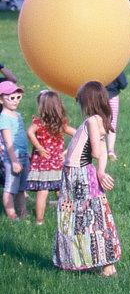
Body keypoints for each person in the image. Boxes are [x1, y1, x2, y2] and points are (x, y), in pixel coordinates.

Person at [53, 81, 121, 277]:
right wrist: (100, 171)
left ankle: (106, 264)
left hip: (78, 176)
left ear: (88, 101)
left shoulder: (93, 120)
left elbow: (99, 151)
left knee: (83, 218)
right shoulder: (100, 119)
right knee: (91, 217)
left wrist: (99, 171)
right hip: (79, 174)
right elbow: (102, 150)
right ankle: (95, 261)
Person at [26, 89, 75, 225]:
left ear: (42, 107)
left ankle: (39, 221)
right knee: (62, 192)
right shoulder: (61, 125)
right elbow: (77, 135)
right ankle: (69, 216)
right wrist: (65, 153)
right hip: (57, 164)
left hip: (43, 165)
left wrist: (39, 148)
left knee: (43, 192)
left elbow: (29, 132)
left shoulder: (39, 124)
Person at [1, 80, 30, 220]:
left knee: (21, 188)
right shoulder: (4, 117)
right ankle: (11, 215)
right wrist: (13, 161)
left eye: (18, 97)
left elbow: (21, 135)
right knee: (10, 188)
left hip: (23, 155)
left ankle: (23, 212)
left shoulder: (17, 115)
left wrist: (26, 152)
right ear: (1, 100)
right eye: (11, 98)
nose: (15, 101)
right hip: (13, 157)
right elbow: (8, 141)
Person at [105, 70, 128, 159]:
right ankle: (110, 150)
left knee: (97, 124)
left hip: (98, 98)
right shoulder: (116, 66)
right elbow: (123, 84)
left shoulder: (97, 64)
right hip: (113, 98)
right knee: (112, 125)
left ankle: (98, 148)